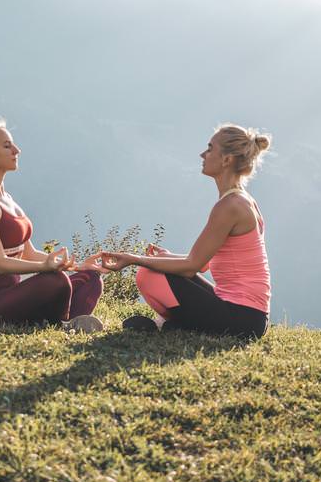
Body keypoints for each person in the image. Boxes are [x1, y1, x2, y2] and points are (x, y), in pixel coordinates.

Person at [100, 124, 272, 340]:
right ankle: (176, 324)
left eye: (210, 149)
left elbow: (193, 266)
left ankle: (176, 324)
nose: (203, 154)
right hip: (251, 317)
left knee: (147, 275)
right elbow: (204, 262)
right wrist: (167, 257)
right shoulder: (243, 200)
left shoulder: (230, 206)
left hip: (242, 319)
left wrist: (133, 259)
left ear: (227, 159)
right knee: (155, 268)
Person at [0, 120, 106, 331]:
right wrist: (45, 267)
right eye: (7, 146)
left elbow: (28, 253)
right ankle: (65, 324)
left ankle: (64, 322)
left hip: (15, 295)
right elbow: (0, 262)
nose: (16, 150)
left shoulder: (7, 199)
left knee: (90, 278)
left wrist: (78, 266)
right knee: (55, 281)